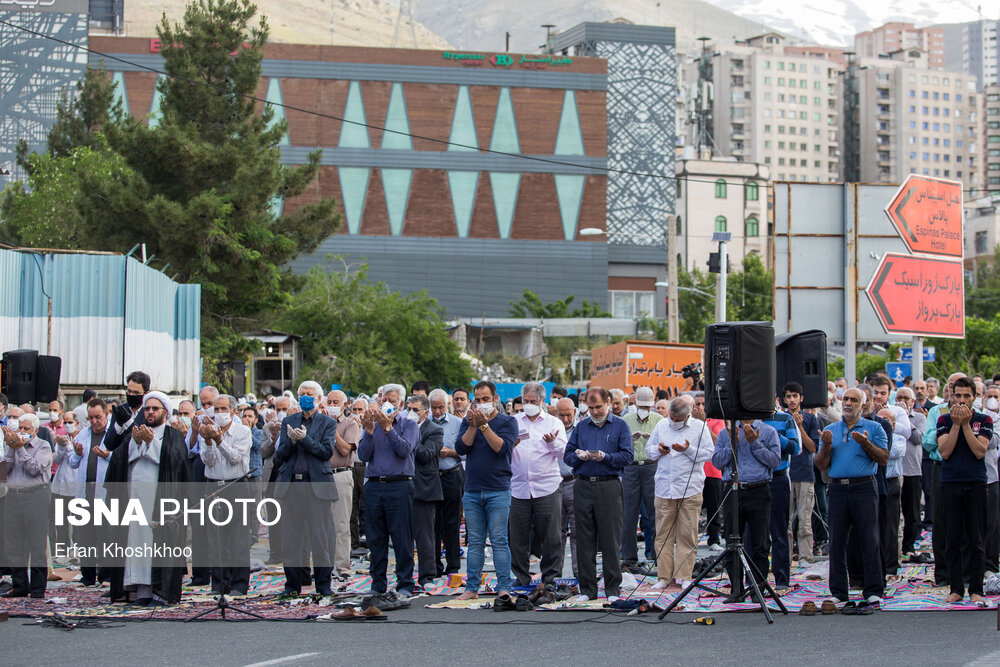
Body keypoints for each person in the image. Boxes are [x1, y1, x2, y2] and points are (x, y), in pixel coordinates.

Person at [103, 391, 190, 606]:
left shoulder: (173, 435)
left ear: (165, 412)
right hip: (135, 500)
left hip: (160, 501)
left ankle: (161, 592)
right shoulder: (135, 432)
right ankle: (142, 590)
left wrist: (152, 443)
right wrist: (136, 443)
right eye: (147, 409)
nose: (150, 412)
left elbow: (177, 461)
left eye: (155, 409)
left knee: (159, 545)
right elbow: (119, 459)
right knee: (136, 543)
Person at [815, 387, 888, 615]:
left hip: (864, 487)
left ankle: (873, 589)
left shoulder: (874, 428)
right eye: (845, 399)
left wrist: (865, 443)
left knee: (869, 539)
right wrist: (826, 445)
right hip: (837, 489)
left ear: (863, 405)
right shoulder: (830, 429)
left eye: (853, 400)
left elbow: (883, 459)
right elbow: (820, 464)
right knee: (836, 541)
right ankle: (838, 592)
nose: (847, 403)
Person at [564, 387, 633, 602]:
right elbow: (567, 455)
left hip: (609, 485)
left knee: (610, 539)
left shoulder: (620, 425)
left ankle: (612, 589)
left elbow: (627, 456)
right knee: (584, 538)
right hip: (583, 484)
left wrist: (606, 457)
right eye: (591, 407)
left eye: (598, 407)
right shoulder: (581, 426)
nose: (594, 412)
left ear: (609, 403)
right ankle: (588, 590)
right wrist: (579, 457)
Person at [273, 381, 338, 596]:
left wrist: (305, 440)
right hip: (291, 486)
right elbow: (279, 456)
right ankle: (292, 586)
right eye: (302, 394)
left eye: (309, 394)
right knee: (291, 539)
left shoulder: (327, 422)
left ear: (319, 399)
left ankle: (323, 585)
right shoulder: (289, 421)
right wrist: (291, 442)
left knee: (320, 538)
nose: (305, 398)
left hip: (315, 487)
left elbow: (326, 452)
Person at [455, 381, 517, 603]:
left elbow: (501, 448)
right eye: (478, 400)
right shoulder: (467, 421)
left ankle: (504, 587)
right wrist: (473, 426)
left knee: (499, 540)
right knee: (475, 542)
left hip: (498, 490)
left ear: (495, 399)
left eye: (485, 399)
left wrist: (484, 426)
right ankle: (472, 587)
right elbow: (461, 448)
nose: (481, 404)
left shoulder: (508, 422)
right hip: (472, 490)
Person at [357, 383, 419, 602]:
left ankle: (405, 583)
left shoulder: (409, 425)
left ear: (401, 404)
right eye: (384, 399)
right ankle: (378, 584)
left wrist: (388, 428)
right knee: (376, 538)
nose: (388, 404)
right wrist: (368, 430)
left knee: (402, 537)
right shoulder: (372, 425)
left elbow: (404, 450)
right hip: (374, 484)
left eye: (393, 400)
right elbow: (363, 455)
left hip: (400, 484)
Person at [645, 397, 714, 589]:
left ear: (687, 415)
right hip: (664, 488)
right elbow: (649, 450)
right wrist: (658, 450)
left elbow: (709, 453)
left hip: (689, 488)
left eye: (678, 420)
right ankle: (664, 577)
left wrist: (688, 449)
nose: (673, 423)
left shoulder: (699, 427)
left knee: (687, 534)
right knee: (663, 535)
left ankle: (684, 576)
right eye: (672, 419)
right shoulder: (661, 425)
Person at [712, 418, 781, 600]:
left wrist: (754, 443)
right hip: (733, 490)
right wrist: (732, 443)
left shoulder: (768, 431)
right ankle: (737, 589)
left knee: (760, 543)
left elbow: (775, 461)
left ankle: (758, 588)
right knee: (732, 542)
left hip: (759, 489)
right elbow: (717, 463)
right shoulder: (726, 432)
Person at [936, 377, 991, 604]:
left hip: (976, 483)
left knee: (976, 539)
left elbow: (980, 451)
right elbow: (945, 452)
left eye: (966, 396)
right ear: (951, 395)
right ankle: (956, 588)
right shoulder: (944, 419)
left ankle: (976, 588)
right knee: (953, 539)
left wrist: (966, 424)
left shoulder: (984, 419)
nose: (961, 400)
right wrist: (957, 424)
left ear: (974, 397)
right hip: (950, 483)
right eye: (957, 396)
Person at [510, 382, 567, 590]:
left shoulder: (554, 423)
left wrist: (552, 443)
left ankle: (550, 577)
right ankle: (521, 576)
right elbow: (502, 451)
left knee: (551, 536)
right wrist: (510, 445)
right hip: (519, 487)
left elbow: (564, 454)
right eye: (526, 401)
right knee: (517, 536)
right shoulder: (513, 422)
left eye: (533, 401)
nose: (529, 405)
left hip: (547, 486)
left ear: (542, 401)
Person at [198, 394, 253, 596]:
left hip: (236, 485)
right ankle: (219, 583)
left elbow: (235, 457)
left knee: (238, 537)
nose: (219, 413)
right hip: (213, 485)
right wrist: (209, 441)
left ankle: (239, 583)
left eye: (223, 409)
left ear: (233, 411)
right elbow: (208, 461)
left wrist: (218, 439)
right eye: (216, 409)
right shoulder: (208, 431)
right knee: (215, 537)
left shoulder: (243, 431)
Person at [2, 413, 53, 598]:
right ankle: (20, 586)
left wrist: (21, 449)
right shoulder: (13, 446)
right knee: (14, 544)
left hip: (36, 495)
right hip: (14, 497)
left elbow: (35, 469)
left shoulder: (43, 446)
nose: (22, 432)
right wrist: (11, 448)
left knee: (36, 543)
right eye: (20, 428)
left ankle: (38, 588)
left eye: (26, 429)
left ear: (36, 430)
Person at [922, 372, 966, 586]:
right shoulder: (937, 412)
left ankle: (967, 575)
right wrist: (947, 429)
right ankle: (943, 575)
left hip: (966, 468)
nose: (955, 392)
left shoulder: (975, 413)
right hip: (941, 467)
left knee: (967, 522)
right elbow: (929, 442)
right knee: (940, 522)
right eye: (952, 386)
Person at [68, 398, 112, 586]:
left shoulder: (113, 435)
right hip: (85, 491)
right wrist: (77, 453)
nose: (94, 421)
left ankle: (106, 576)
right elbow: (72, 462)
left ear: (106, 415)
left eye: (98, 417)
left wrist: (107, 455)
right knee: (85, 537)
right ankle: (87, 576)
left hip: (105, 492)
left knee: (105, 535)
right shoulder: (83, 435)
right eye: (91, 417)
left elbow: (122, 460)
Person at [620, 386, 661, 575]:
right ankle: (628, 557)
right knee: (629, 514)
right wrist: (631, 438)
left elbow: (665, 444)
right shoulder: (626, 420)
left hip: (652, 466)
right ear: (635, 404)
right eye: (642, 406)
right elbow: (618, 444)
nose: (645, 409)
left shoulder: (659, 420)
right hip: (631, 467)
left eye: (648, 406)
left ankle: (656, 554)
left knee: (654, 513)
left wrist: (652, 440)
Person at [407, 394, 444, 588]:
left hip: (425, 487)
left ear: (426, 413)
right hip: (403, 485)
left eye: (415, 410)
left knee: (425, 535)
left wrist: (411, 434)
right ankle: (405, 575)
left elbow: (426, 454)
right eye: (409, 410)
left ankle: (427, 575)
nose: (411, 414)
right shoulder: (401, 426)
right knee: (403, 534)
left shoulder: (434, 430)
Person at [185, 385, 219, 586]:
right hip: (198, 471)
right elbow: (189, 450)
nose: (207, 407)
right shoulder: (196, 421)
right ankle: (199, 575)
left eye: (210, 404)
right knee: (198, 524)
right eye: (203, 404)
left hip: (218, 474)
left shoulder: (226, 420)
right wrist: (195, 432)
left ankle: (218, 573)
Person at [764, 404, 801, 591]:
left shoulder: (785, 419)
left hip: (778, 479)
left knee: (779, 531)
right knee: (752, 533)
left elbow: (796, 448)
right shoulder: (746, 419)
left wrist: (774, 437)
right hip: (754, 481)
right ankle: (755, 578)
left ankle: (781, 578)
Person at [783, 383, 820, 565]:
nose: (791, 400)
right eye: (788, 397)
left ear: (801, 398)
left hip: (805, 473)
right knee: (786, 520)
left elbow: (812, 447)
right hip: (785, 474)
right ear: (783, 399)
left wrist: (800, 427)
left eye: (795, 396)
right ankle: (787, 556)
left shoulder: (811, 419)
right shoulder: (781, 418)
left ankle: (806, 556)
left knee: (805, 519)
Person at [429, 388, 464, 579]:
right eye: (433, 408)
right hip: (431, 477)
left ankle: (453, 566)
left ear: (447, 406)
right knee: (433, 522)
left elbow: (465, 451)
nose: (437, 412)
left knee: (452, 522)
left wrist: (449, 452)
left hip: (451, 474)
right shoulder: (424, 424)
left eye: (440, 407)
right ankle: (434, 565)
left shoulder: (458, 423)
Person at [326, 390, 360, 579]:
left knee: (341, 524)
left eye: (335, 402)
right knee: (322, 525)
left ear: (344, 405)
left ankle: (342, 568)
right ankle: (325, 567)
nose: (332, 404)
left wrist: (331, 428)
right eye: (329, 401)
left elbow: (346, 449)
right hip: (322, 476)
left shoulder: (350, 424)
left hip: (341, 474)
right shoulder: (320, 422)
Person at [877, 405, 908, 578]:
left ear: (893, 424)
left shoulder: (898, 439)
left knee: (890, 526)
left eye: (886, 420)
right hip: (876, 482)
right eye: (879, 419)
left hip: (891, 483)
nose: (882, 422)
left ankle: (890, 566)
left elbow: (890, 452)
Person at [896, 387, 926, 557]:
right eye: (899, 397)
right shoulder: (889, 415)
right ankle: (895, 546)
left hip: (912, 470)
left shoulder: (919, 418)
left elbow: (918, 438)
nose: (902, 400)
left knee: (912, 512)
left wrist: (905, 417)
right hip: (894, 471)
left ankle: (909, 546)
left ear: (912, 402)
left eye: (906, 398)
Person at [49, 409, 79, 561]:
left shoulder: (81, 438)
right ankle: (64, 551)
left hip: (73, 485)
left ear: (77, 423)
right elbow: (58, 460)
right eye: (65, 422)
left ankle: (77, 550)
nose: (67, 425)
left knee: (75, 522)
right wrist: (61, 446)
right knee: (60, 521)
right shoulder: (64, 437)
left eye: (70, 422)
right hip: (59, 485)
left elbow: (75, 460)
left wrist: (68, 446)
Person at [555, 397, 579, 578]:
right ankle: (555, 574)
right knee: (556, 532)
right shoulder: (550, 428)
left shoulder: (581, 431)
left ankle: (580, 573)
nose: (565, 419)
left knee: (578, 530)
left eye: (568, 415)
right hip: (553, 484)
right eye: (561, 415)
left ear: (575, 413)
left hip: (574, 482)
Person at [103, 371, 151, 452]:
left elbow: (144, 440)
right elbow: (109, 444)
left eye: (136, 392)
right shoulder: (121, 410)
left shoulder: (150, 412)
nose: (131, 395)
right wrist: (118, 425)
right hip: (121, 461)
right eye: (129, 391)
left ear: (146, 394)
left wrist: (128, 422)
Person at [350, 397, 369, 557]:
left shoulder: (369, 426)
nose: (357, 413)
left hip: (365, 467)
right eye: (354, 410)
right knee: (351, 507)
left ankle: (370, 539)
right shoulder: (349, 425)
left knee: (367, 506)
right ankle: (353, 543)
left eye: (360, 410)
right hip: (350, 467)